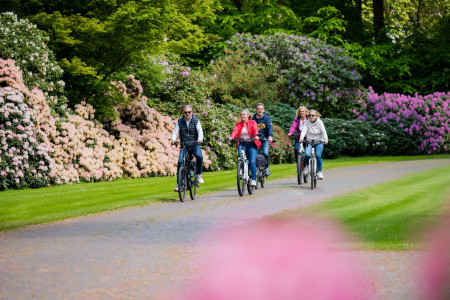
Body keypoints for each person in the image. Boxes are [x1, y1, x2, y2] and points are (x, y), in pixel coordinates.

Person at [171, 105, 204, 192]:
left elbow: (200, 131)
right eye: (185, 112)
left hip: (194, 144)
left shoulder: (196, 121)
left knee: (199, 156)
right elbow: (175, 131)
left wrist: (200, 139)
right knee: (180, 162)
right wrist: (173, 140)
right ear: (183, 113)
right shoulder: (180, 121)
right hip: (184, 145)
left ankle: (198, 174)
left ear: (192, 112)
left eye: (189, 112)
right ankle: (179, 184)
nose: (187, 114)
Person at [228, 109, 261, 187]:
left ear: (248, 116)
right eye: (241, 114)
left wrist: (256, 136)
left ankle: (253, 179)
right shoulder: (238, 124)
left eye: (244, 114)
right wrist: (231, 137)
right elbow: (235, 131)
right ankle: (242, 168)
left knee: (252, 161)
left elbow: (255, 130)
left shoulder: (253, 122)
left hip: (252, 143)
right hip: (242, 143)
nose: (243, 116)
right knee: (240, 156)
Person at [299, 109, 328, 179]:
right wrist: (301, 138)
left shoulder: (320, 122)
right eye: (309, 115)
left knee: (318, 155)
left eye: (312, 115)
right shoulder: (307, 122)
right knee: (307, 154)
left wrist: (326, 139)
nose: (311, 117)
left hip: (319, 141)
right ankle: (307, 167)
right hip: (309, 141)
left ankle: (320, 172)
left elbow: (323, 131)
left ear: (316, 116)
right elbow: (304, 130)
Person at [252, 103, 273, 176]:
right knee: (252, 154)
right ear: (256, 110)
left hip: (264, 139)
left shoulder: (267, 118)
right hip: (255, 139)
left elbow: (270, 128)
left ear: (263, 110)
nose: (260, 110)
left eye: (261, 109)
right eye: (258, 109)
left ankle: (266, 168)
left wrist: (270, 136)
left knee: (265, 153)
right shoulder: (253, 118)